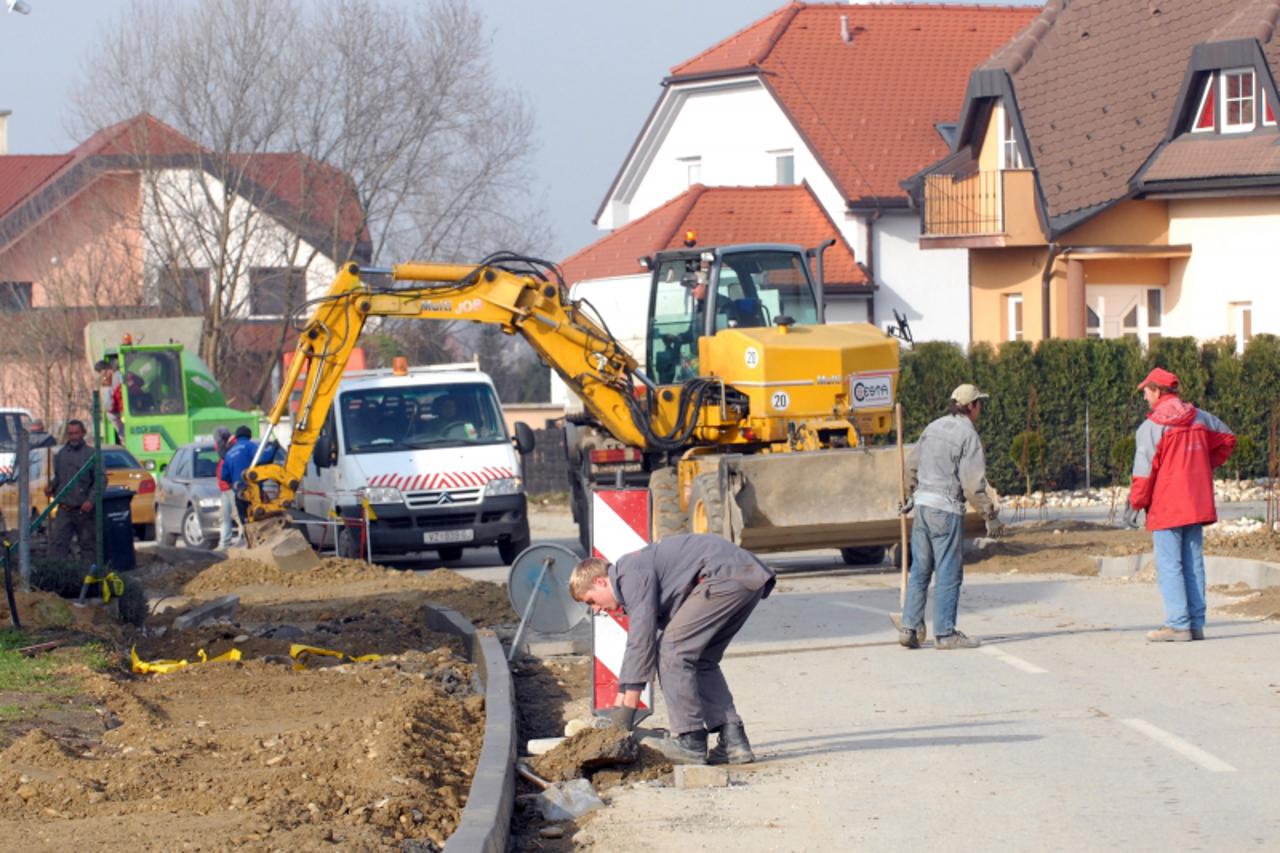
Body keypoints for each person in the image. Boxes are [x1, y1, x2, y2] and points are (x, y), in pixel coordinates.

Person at [568, 533, 776, 765]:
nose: (596, 610)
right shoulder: (633, 573)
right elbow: (636, 642)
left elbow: (642, 637)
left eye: (591, 601)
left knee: (672, 651)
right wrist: (619, 703)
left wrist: (628, 709)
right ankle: (733, 740)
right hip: (746, 577)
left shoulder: (630, 572)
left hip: (722, 578)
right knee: (701, 660)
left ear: (600, 581)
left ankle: (691, 741)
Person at [1126, 367, 1235, 642]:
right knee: (1193, 561)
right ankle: (1196, 624)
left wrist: (1136, 502)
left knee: (1169, 563)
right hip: (1196, 500)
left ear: (1158, 391)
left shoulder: (1151, 427)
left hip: (1167, 503)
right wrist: (1202, 465)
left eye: (1146, 392)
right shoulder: (1199, 417)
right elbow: (1227, 438)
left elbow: (1143, 472)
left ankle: (1177, 624)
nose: (1144, 398)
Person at [896, 383, 1001, 651]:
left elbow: (911, 466)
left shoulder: (933, 427)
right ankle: (945, 634)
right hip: (946, 510)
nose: (981, 409)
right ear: (971, 406)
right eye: (980, 404)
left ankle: (909, 628)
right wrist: (990, 515)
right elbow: (971, 483)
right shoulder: (969, 436)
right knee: (948, 573)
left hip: (922, 507)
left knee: (920, 570)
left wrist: (907, 496)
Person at [45, 419, 97, 565]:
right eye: (70, 434)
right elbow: (59, 478)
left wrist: (90, 500)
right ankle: (56, 581)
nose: (73, 437)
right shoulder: (61, 455)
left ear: (83, 433)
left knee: (88, 547)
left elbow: (100, 481)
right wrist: (51, 487)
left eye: (76, 433)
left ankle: (90, 582)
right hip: (65, 510)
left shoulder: (91, 454)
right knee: (57, 547)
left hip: (84, 511)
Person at [219, 425, 259, 525]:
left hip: (239, 494)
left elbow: (224, 476)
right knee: (258, 519)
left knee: (245, 522)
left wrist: (233, 482)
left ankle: (247, 537)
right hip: (254, 492)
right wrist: (274, 448)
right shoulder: (250, 446)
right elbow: (263, 457)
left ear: (236, 437)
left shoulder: (229, 453)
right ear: (249, 436)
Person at [212, 426, 238, 548]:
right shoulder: (229, 445)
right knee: (225, 516)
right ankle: (224, 543)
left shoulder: (230, 446)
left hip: (230, 487)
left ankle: (241, 541)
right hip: (225, 487)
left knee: (237, 515)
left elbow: (223, 455)